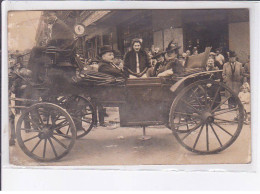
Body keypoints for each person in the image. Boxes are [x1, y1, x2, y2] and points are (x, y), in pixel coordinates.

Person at [28, 11, 75, 82]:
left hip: (61, 48)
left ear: (54, 15)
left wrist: (46, 45)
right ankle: (35, 74)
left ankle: (31, 71)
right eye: (47, 17)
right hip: (62, 47)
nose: (48, 18)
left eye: (49, 16)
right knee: (38, 53)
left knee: (35, 49)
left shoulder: (57, 24)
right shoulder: (58, 23)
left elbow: (54, 40)